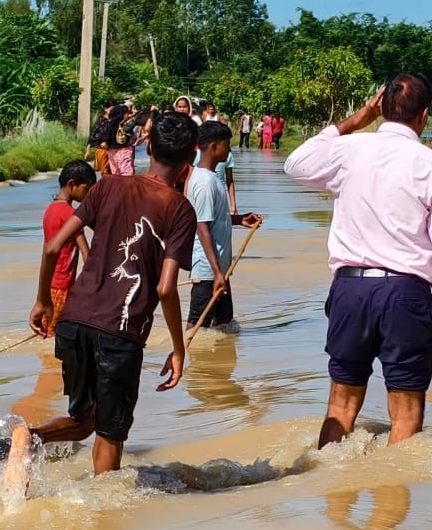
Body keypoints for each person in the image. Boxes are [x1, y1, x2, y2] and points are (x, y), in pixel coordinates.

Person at [285, 75, 432, 448]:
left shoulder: (350, 150)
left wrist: (353, 121)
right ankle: (391, 500)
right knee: (406, 413)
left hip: (350, 290)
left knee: (340, 404)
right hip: (406, 294)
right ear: (425, 115)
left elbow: (295, 164)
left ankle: (332, 502)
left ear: (378, 107)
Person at [27, 111, 199, 476]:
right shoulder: (179, 208)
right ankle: (102, 522)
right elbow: (166, 288)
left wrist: (42, 300)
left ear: (148, 146)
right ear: (192, 159)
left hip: (74, 322)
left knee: (85, 419)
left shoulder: (105, 186)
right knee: (109, 434)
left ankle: (29, 438)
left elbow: (53, 247)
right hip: (120, 333)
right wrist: (179, 349)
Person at [187, 121, 262, 330]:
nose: (229, 149)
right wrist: (216, 272)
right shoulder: (203, 182)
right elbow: (202, 229)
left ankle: (218, 362)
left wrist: (240, 220)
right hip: (208, 271)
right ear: (213, 146)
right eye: (226, 144)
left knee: (225, 324)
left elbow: (213, 220)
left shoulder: (212, 179)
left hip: (219, 269)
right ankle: (193, 363)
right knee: (196, 328)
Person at [43, 160, 97, 336]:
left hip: (50, 284)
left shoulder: (50, 210)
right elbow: (86, 254)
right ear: (72, 185)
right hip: (63, 286)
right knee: (61, 336)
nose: (88, 195)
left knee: (48, 332)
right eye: (87, 189)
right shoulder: (70, 215)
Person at [107, 105, 138, 177]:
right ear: (122, 114)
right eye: (127, 113)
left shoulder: (109, 125)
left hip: (112, 153)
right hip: (125, 151)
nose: (128, 115)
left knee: (116, 174)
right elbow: (136, 119)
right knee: (127, 174)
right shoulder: (125, 126)